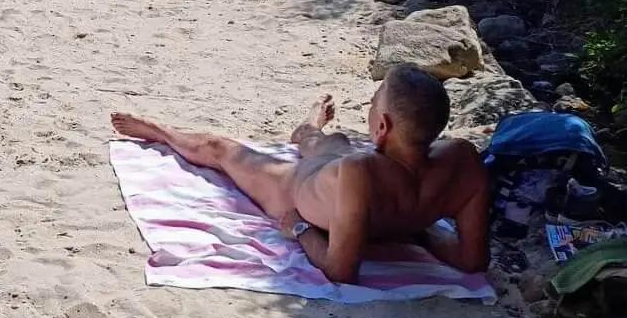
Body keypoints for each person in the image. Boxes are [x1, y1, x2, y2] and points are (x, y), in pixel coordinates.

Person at [109, 66, 491, 285]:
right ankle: (310, 124)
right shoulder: (463, 159)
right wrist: (421, 229)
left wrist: (299, 229)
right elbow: (472, 261)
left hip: (296, 189)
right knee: (327, 140)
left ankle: (160, 131)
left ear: (381, 127)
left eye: (373, 104)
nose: (371, 108)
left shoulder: (360, 171)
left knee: (221, 149)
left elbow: (341, 271)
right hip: (334, 171)